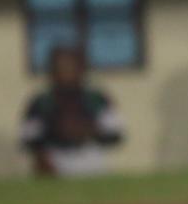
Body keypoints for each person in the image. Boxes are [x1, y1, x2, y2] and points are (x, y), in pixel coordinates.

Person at [21, 46, 124, 177]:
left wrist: (88, 130)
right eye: (60, 67)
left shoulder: (96, 98)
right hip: (55, 157)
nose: (66, 72)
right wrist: (52, 136)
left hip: (90, 156)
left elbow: (115, 134)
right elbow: (28, 139)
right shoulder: (41, 101)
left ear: (81, 68)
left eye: (70, 67)